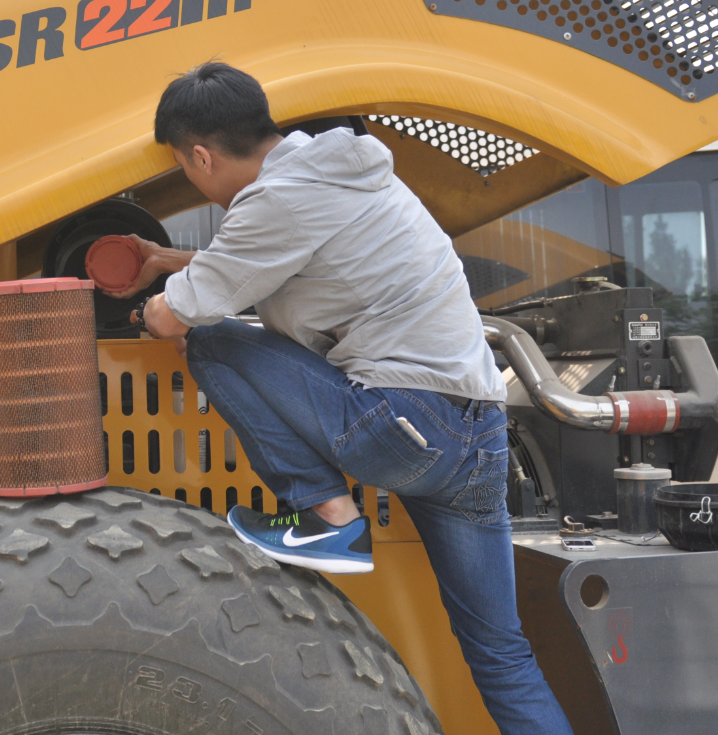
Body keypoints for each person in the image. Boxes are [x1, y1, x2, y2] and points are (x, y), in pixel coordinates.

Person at [120, 62, 571, 735]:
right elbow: (281, 257)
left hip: (405, 424)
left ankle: (329, 516)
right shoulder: (335, 171)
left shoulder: (277, 201)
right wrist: (167, 259)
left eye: (186, 170)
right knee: (499, 651)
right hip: (473, 435)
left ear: (201, 155)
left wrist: (156, 301)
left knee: (212, 341)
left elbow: (171, 320)